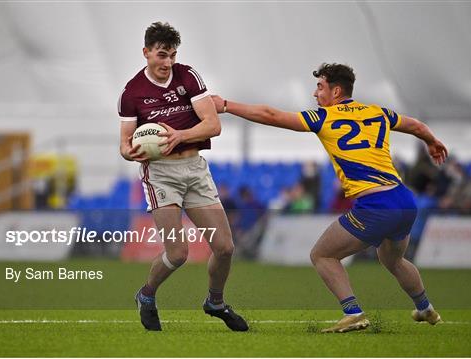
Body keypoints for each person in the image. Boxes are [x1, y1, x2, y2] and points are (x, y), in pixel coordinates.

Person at [212, 63, 447, 333]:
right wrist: (432, 141)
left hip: (376, 205)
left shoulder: (323, 117)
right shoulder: (378, 112)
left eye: (320, 87)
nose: (315, 94)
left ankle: (353, 312)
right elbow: (415, 125)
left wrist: (227, 105)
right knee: (392, 259)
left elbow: (271, 114)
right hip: (404, 200)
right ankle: (425, 307)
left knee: (322, 255)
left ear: (336, 91)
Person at [118, 22, 247, 332]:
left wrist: (180, 135)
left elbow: (213, 124)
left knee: (225, 248)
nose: (168, 63)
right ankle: (146, 295)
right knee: (177, 253)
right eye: (162, 55)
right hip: (160, 174)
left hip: (194, 169)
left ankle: (215, 302)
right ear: (146, 52)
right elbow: (124, 144)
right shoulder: (131, 93)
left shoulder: (188, 76)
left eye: (173, 55)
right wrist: (130, 151)